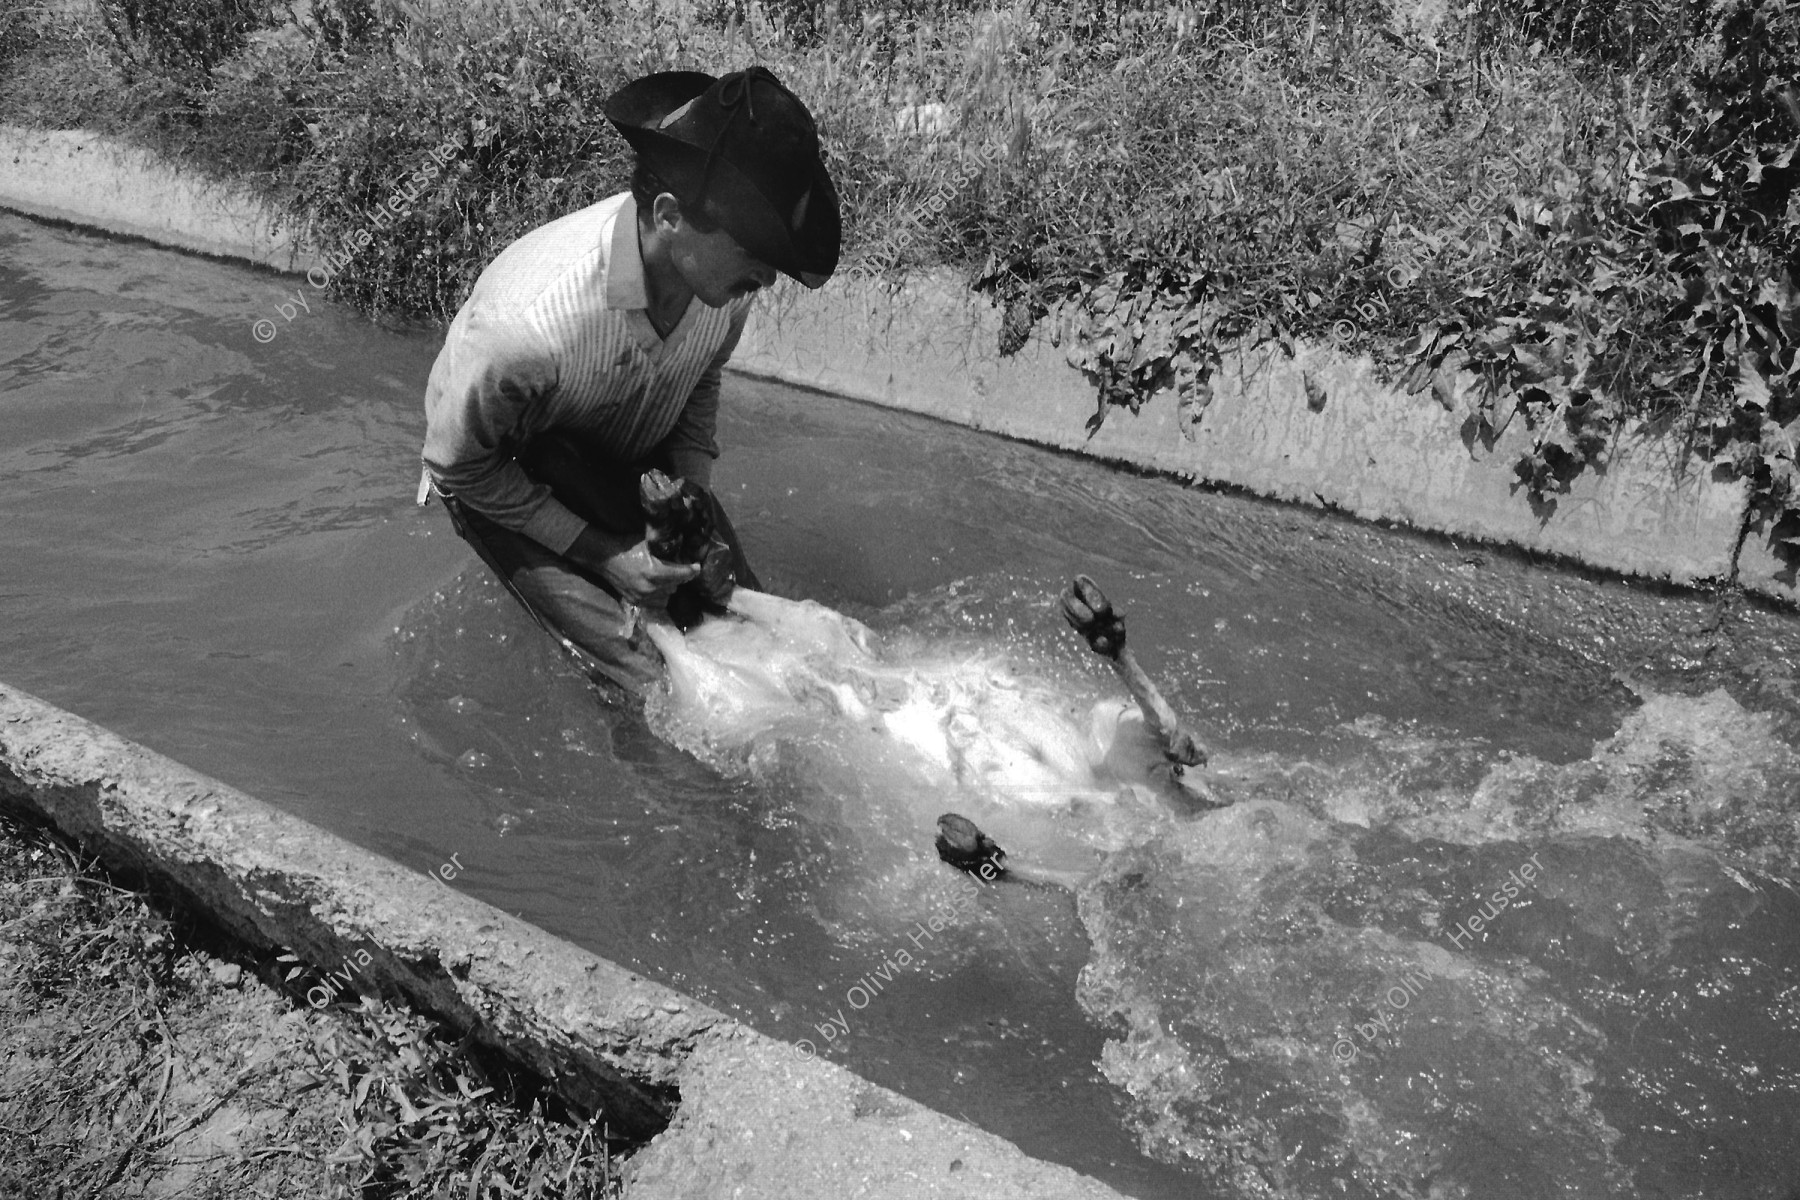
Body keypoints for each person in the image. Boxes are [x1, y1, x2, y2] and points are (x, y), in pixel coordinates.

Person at [418, 66, 840, 698]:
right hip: (509, 473)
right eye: (754, 249)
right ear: (669, 215)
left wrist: (691, 507)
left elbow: (701, 378)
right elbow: (459, 469)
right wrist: (604, 556)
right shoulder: (525, 325)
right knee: (659, 688)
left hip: (625, 440)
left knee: (765, 640)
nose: (769, 278)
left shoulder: (726, 284)